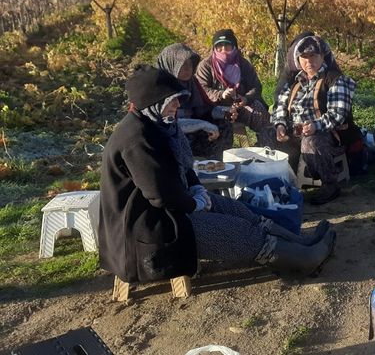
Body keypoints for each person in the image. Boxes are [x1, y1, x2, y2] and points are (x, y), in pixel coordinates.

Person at [98, 65, 336, 285]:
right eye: (171, 102)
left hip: (170, 208)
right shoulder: (136, 140)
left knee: (241, 212)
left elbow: (183, 166)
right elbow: (160, 195)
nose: (177, 106)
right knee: (236, 233)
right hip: (149, 229)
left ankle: (301, 244)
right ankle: (305, 261)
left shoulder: (159, 124)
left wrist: (196, 188)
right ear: (153, 103)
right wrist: (194, 202)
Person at [271, 35, 359, 205]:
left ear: (322, 57)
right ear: (298, 59)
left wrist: (316, 126)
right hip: (296, 132)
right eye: (304, 57)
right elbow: (280, 106)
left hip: (328, 135)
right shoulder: (294, 81)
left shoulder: (334, 79)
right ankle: (282, 182)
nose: (308, 61)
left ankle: (330, 184)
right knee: (268, 134)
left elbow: (337, 114)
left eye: (313, 56)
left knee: (311, 142)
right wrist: (280, 124)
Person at [156, 43, 234, 159]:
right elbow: (168, 124)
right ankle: (190, 166)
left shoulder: (192, 83)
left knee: (224, 124)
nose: (189, 68)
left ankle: (214, 164)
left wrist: (226, 112)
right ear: (171, 65)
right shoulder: (160, 88)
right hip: (171, 134)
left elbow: (206, 108)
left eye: (190, 64)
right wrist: (202, 124)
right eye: (183, 64)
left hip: (195, 129)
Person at [195, 28, 272, 146]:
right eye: (219, 46)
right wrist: (221, 94)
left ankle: (264, 150)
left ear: (234, 47)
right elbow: (201, 88)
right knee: (221, 126)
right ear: (214, 48)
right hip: (216, 107)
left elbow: (256, 86)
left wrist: (246, 98)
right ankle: (221, 157)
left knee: (260, 113)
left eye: (227, 46)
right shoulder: (206, 66)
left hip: (241, 105)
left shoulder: (243, 64)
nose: (223, 50)